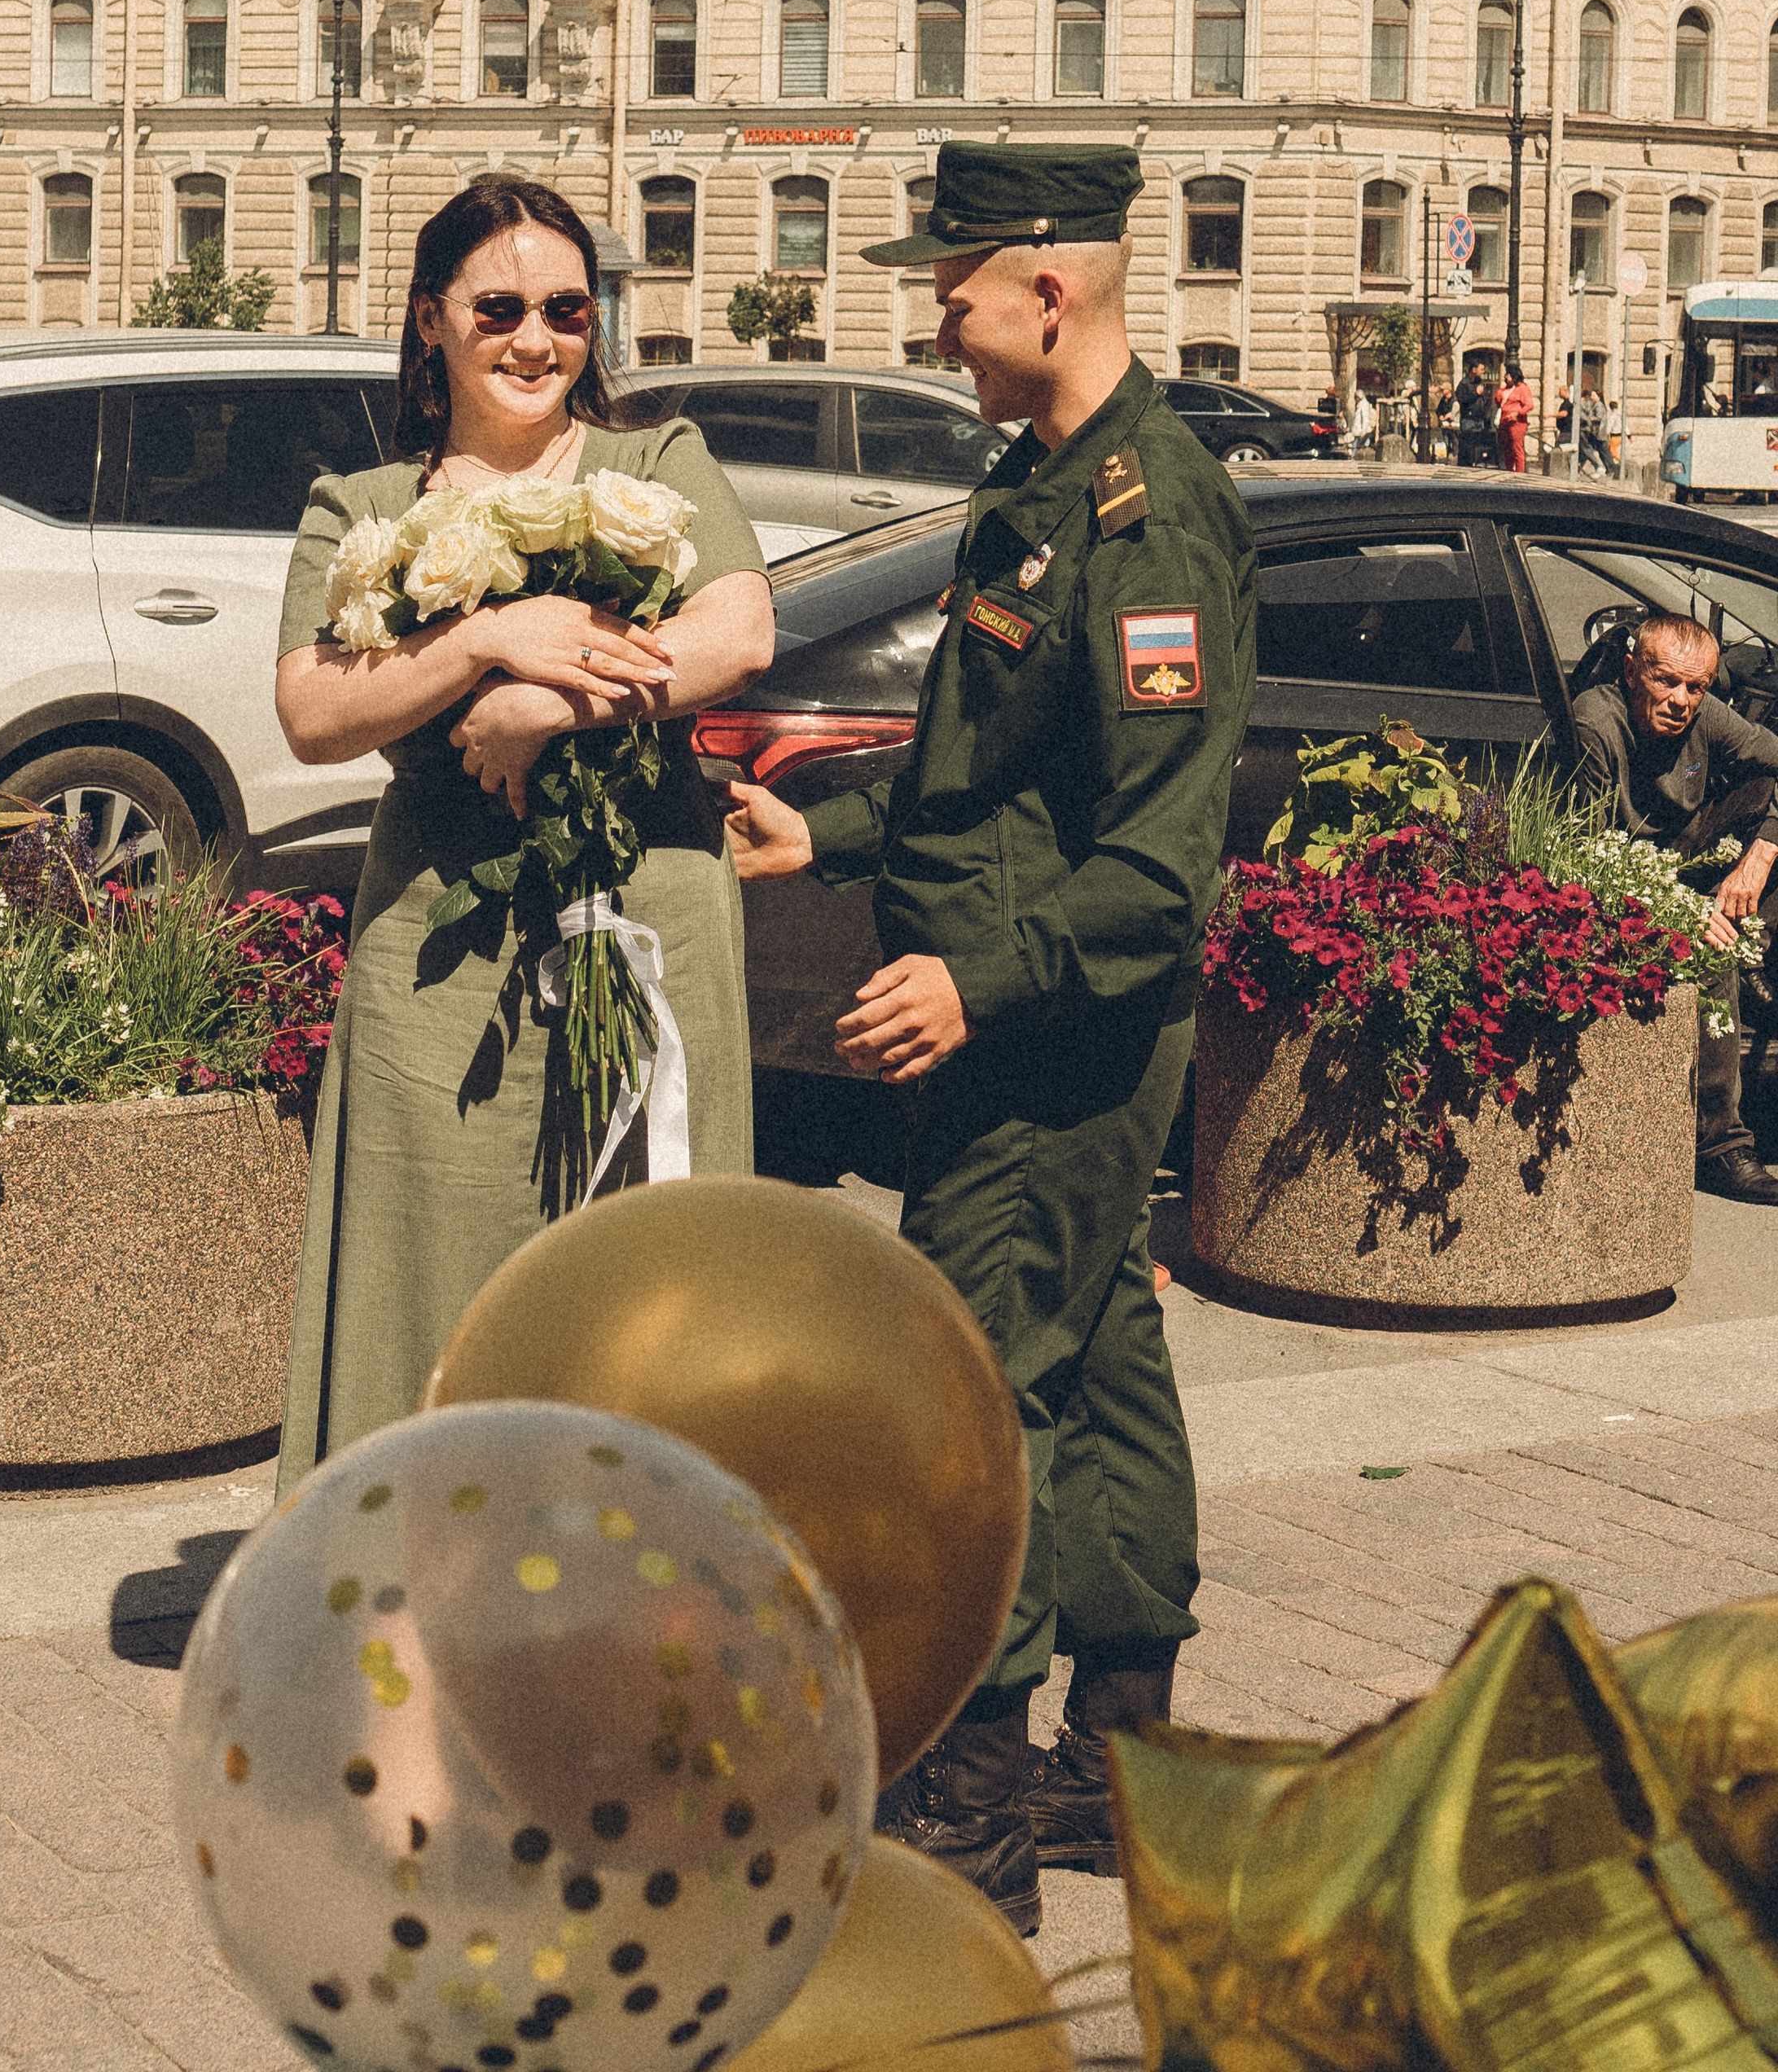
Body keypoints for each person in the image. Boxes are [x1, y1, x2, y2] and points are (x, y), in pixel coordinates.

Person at [726, 143, 1257, 1937]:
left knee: (968, 1402)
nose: (934, 322)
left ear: (1049, 287)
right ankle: (1117, 1768)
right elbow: (989, 770)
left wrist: (977, 980)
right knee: (1093, 1366)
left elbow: (1153, 864)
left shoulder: (1148, 517)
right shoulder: (1036, 486)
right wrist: (837, 833)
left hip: (1049, 1047)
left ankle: (965, 1820)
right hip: (1017, 1034)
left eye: (951, 290)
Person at [270, 176, 775, 1485]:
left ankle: (640, 1582)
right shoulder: (363, 504)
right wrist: (485, 638)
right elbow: (315, 710)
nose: (536, 339)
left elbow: (737, 632)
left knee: (639, 1260)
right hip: (443, 947)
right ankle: (420, 1575)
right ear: (432, 319)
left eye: (567, 308)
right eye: (499, 307)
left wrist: (550, 703)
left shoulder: (656, 467)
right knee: (429, 1251)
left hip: (648, 908)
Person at [1573, 612, 1778, 1205]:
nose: (1681, 701)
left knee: (1770, 811)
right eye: (1666, 681)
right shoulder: (1598, 722)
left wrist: (1760, 856)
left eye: (1697, 687)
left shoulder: (1704, 715)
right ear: (1633, 671)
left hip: (1684, 857)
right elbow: (1586, 865)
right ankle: (1720, 1146)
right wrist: (1680, 913)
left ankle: (1754, 956)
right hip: (1616, 881)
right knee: (1708, 950)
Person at [1495, 359, 1533, 472]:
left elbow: (1529, 405)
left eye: (1507, 375)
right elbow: (1498, 402)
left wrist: (1518, 413)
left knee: (1517, 448)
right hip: (1505, 421)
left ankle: (1520, 471)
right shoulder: (1506, 389)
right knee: (1507, 448)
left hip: (1516, 422)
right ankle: (1509, 469)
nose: (1505, 377)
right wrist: (1500, 390)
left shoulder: (1522, 388)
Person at [1455, 365, 1495, 469]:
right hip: (1469, 418)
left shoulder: (1480, 382)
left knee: (1477, 444)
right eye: (1481, 369)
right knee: (1467, 443)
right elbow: (1462, 398)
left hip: (1479, 418)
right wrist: (1475, 393)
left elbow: (1485, 397)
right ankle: (1465, 465)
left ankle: (1475, 463)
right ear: (1474, 369)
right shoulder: (1464, 384)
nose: (1483, 371)